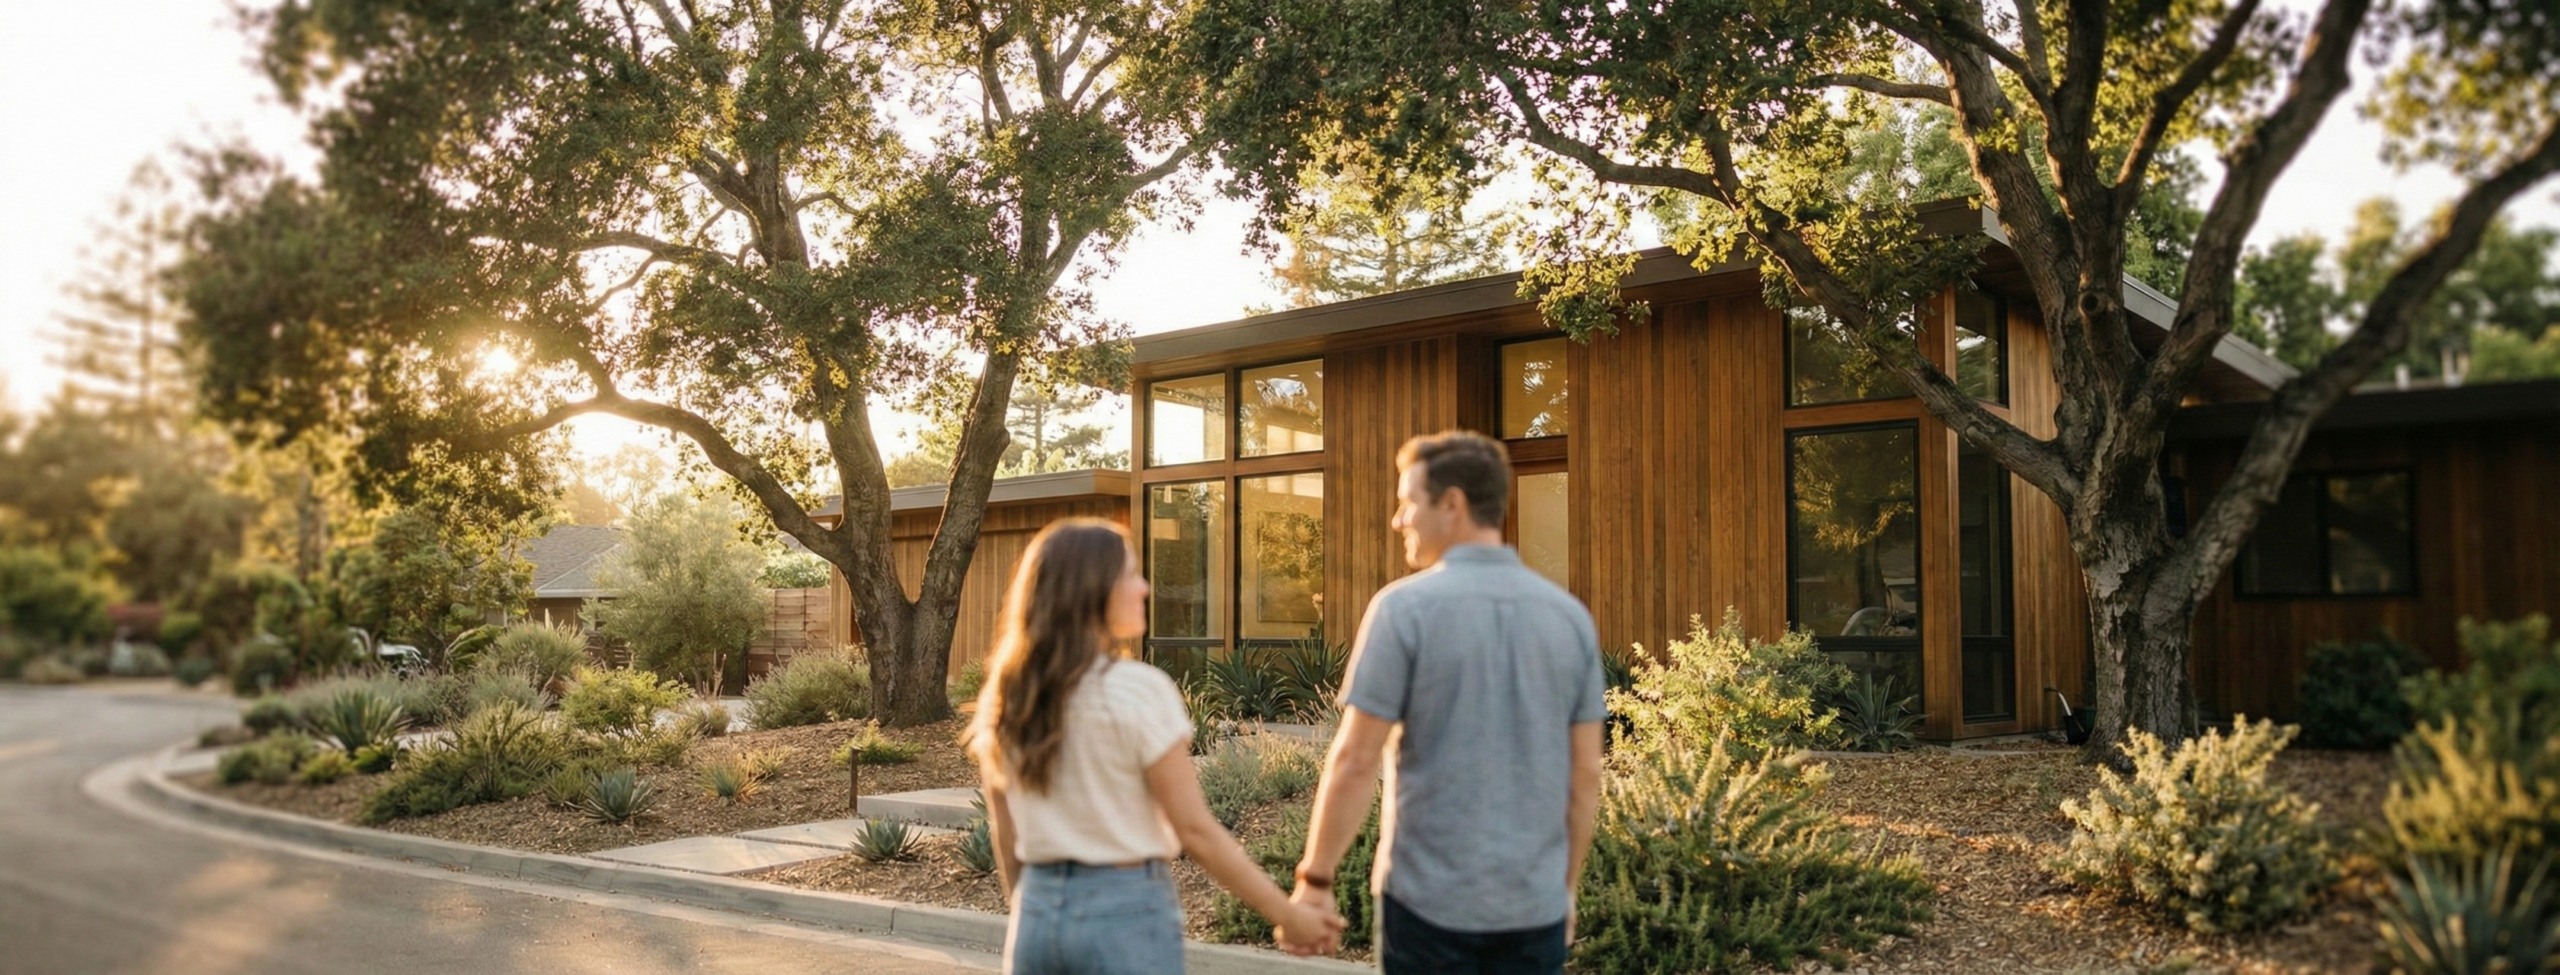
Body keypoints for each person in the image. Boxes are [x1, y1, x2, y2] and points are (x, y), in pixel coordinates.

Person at [1288, 431, 1606, 973]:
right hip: (1534, 910)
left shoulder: (1402, 611)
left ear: (1452, 504)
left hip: (1427, 908)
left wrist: (1315, 880)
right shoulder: (1570, 618)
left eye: (1408, 502)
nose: (1398, 520)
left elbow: (1355, 759)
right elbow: (1585, 776)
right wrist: (1565, 891)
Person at [967, 517, 1344, 974]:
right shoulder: (1137, 688)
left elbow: (1006, 834)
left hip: (1037, 913)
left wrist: (1032, 915)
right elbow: (1196, 831)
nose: (1145, 588)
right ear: (1093, 592)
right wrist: (1288, 917)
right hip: (1123, 914)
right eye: (1130, 575)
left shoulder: (1008, 698)